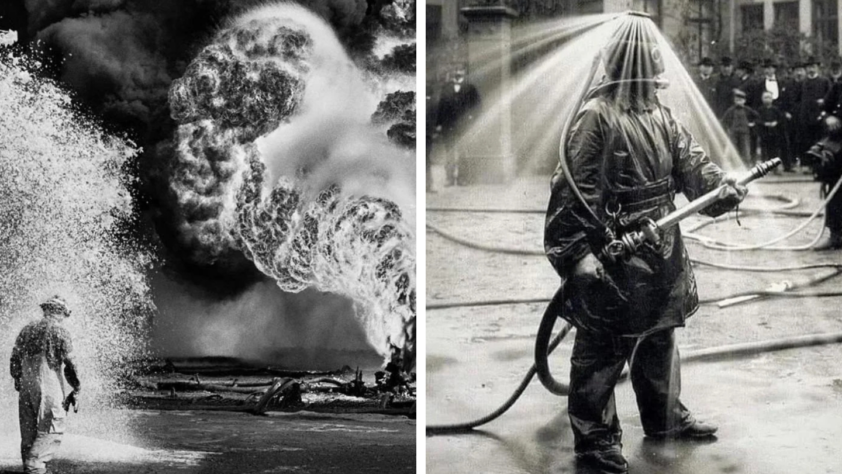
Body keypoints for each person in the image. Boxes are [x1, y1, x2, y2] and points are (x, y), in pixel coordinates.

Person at [544, 15, 747, 474]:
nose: (653, 80)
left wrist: (722, 186)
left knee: (659, 336)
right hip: (614, 249)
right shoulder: (596, 118)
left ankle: (664, 417)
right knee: (602, 345)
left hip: (661, 247)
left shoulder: (661, 115)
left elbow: (693, 167)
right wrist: (577, 255)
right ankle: (595, 439)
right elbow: (570, 193)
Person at [10, 296, 81, 474]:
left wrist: (18, 380)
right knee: (50, 430)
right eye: (64, 314)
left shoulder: (27, 330)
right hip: (48, 387)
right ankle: (35, 467)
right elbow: (71, 364)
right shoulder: (59, 331)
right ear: (60, 312)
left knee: (29, 435)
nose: (64, 318)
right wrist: (77, 388)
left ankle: (30, 467)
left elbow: (14, 360)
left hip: (26, 387)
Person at [807, 76, 842, 249]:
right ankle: (836, 235)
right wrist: (828, 117)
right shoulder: (839, 83)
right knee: (834, 189)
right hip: (838, 143)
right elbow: (825, 108)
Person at [434, 66, 481, 186]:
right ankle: (449, 179)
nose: (457, 73)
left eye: (460, 71)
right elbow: (441, 107)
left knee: (463, 153)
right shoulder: (446, 87)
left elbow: (477, 106)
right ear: (452, 72)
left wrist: (471, 119)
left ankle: (462, 178)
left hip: (464, 126)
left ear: (464, 72)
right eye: (455, 70)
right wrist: (439, 124)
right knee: (449, 153)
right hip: (448, 126)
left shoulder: (470, 88)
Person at [798, 56, 832, 170]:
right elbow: (797, 99)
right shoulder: (803, 83)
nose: (811, 69)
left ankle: (818, 166)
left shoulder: (824, 81)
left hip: (819, 116)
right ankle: (806, 165)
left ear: (817, 68)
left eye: (813, 67)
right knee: (805, 140)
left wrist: (824, 101)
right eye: (809, 67)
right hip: (805, 117)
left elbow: (831, 97)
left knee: (819, 141)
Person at [721, 88, 759, 166]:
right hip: (733, 133)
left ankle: (746, 165)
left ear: (744, 101)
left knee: (745, 149)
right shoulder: (731, 110)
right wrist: (727, 130)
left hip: (745, 133)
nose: (739, 102)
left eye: (741, 100)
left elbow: (757, 117)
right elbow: (724, 121)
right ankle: (733, 165)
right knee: (733, 149)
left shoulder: (748, 110)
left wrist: (752, 123)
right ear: (734, 101)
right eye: (737, 100)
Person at [757, 90, 785, 163]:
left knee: (774, 150)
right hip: (764, 132)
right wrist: (764, 123)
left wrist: (776, 123)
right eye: (765, 97)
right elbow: (757, 120)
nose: (767, 99)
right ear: (762, 99)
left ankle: (774, 166)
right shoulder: (760, 109)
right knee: (764, 150)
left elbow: (781, 119)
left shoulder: (775, 109)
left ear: (772, 99)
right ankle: (764, 165)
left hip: (774, 133)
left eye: (769, 97)